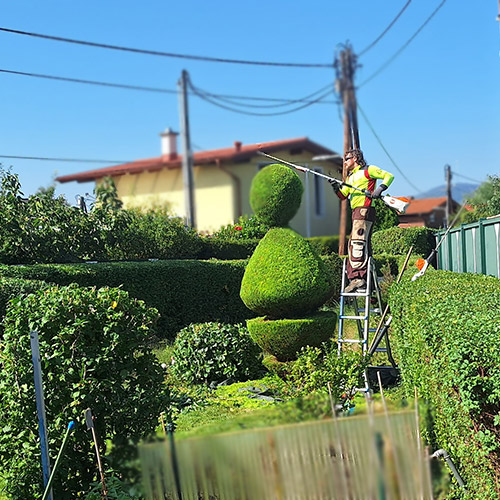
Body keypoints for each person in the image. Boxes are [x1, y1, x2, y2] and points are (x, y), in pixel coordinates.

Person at [330, 148, 394, 293]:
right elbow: (343, 196)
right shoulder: (350, 178)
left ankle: (358, 279)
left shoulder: (368, 170)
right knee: (361, 244)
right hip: (356, 211)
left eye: (347, 158)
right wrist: (335, 187)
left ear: (356, 158)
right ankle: (368, 284)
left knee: (357, 243)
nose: (345, 162)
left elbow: (389, 176)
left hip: (364, 209)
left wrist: (379, 190)